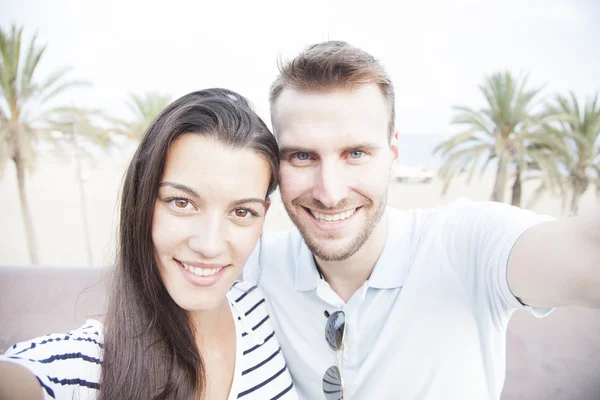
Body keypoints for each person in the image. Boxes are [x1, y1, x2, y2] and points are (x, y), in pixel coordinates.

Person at [243, 41, 600, 400]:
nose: (330, 193)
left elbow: (586, 253)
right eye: (303, 156)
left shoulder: (466, 247)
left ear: (393, 152)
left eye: (356, 153)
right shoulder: (252, 266)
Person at [0, 89, 298, 400]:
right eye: (181, 202)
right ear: (143, 202)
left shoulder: (259, 310)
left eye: (241, 212)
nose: (209, 245)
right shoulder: (87, 367)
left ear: (262, 216)